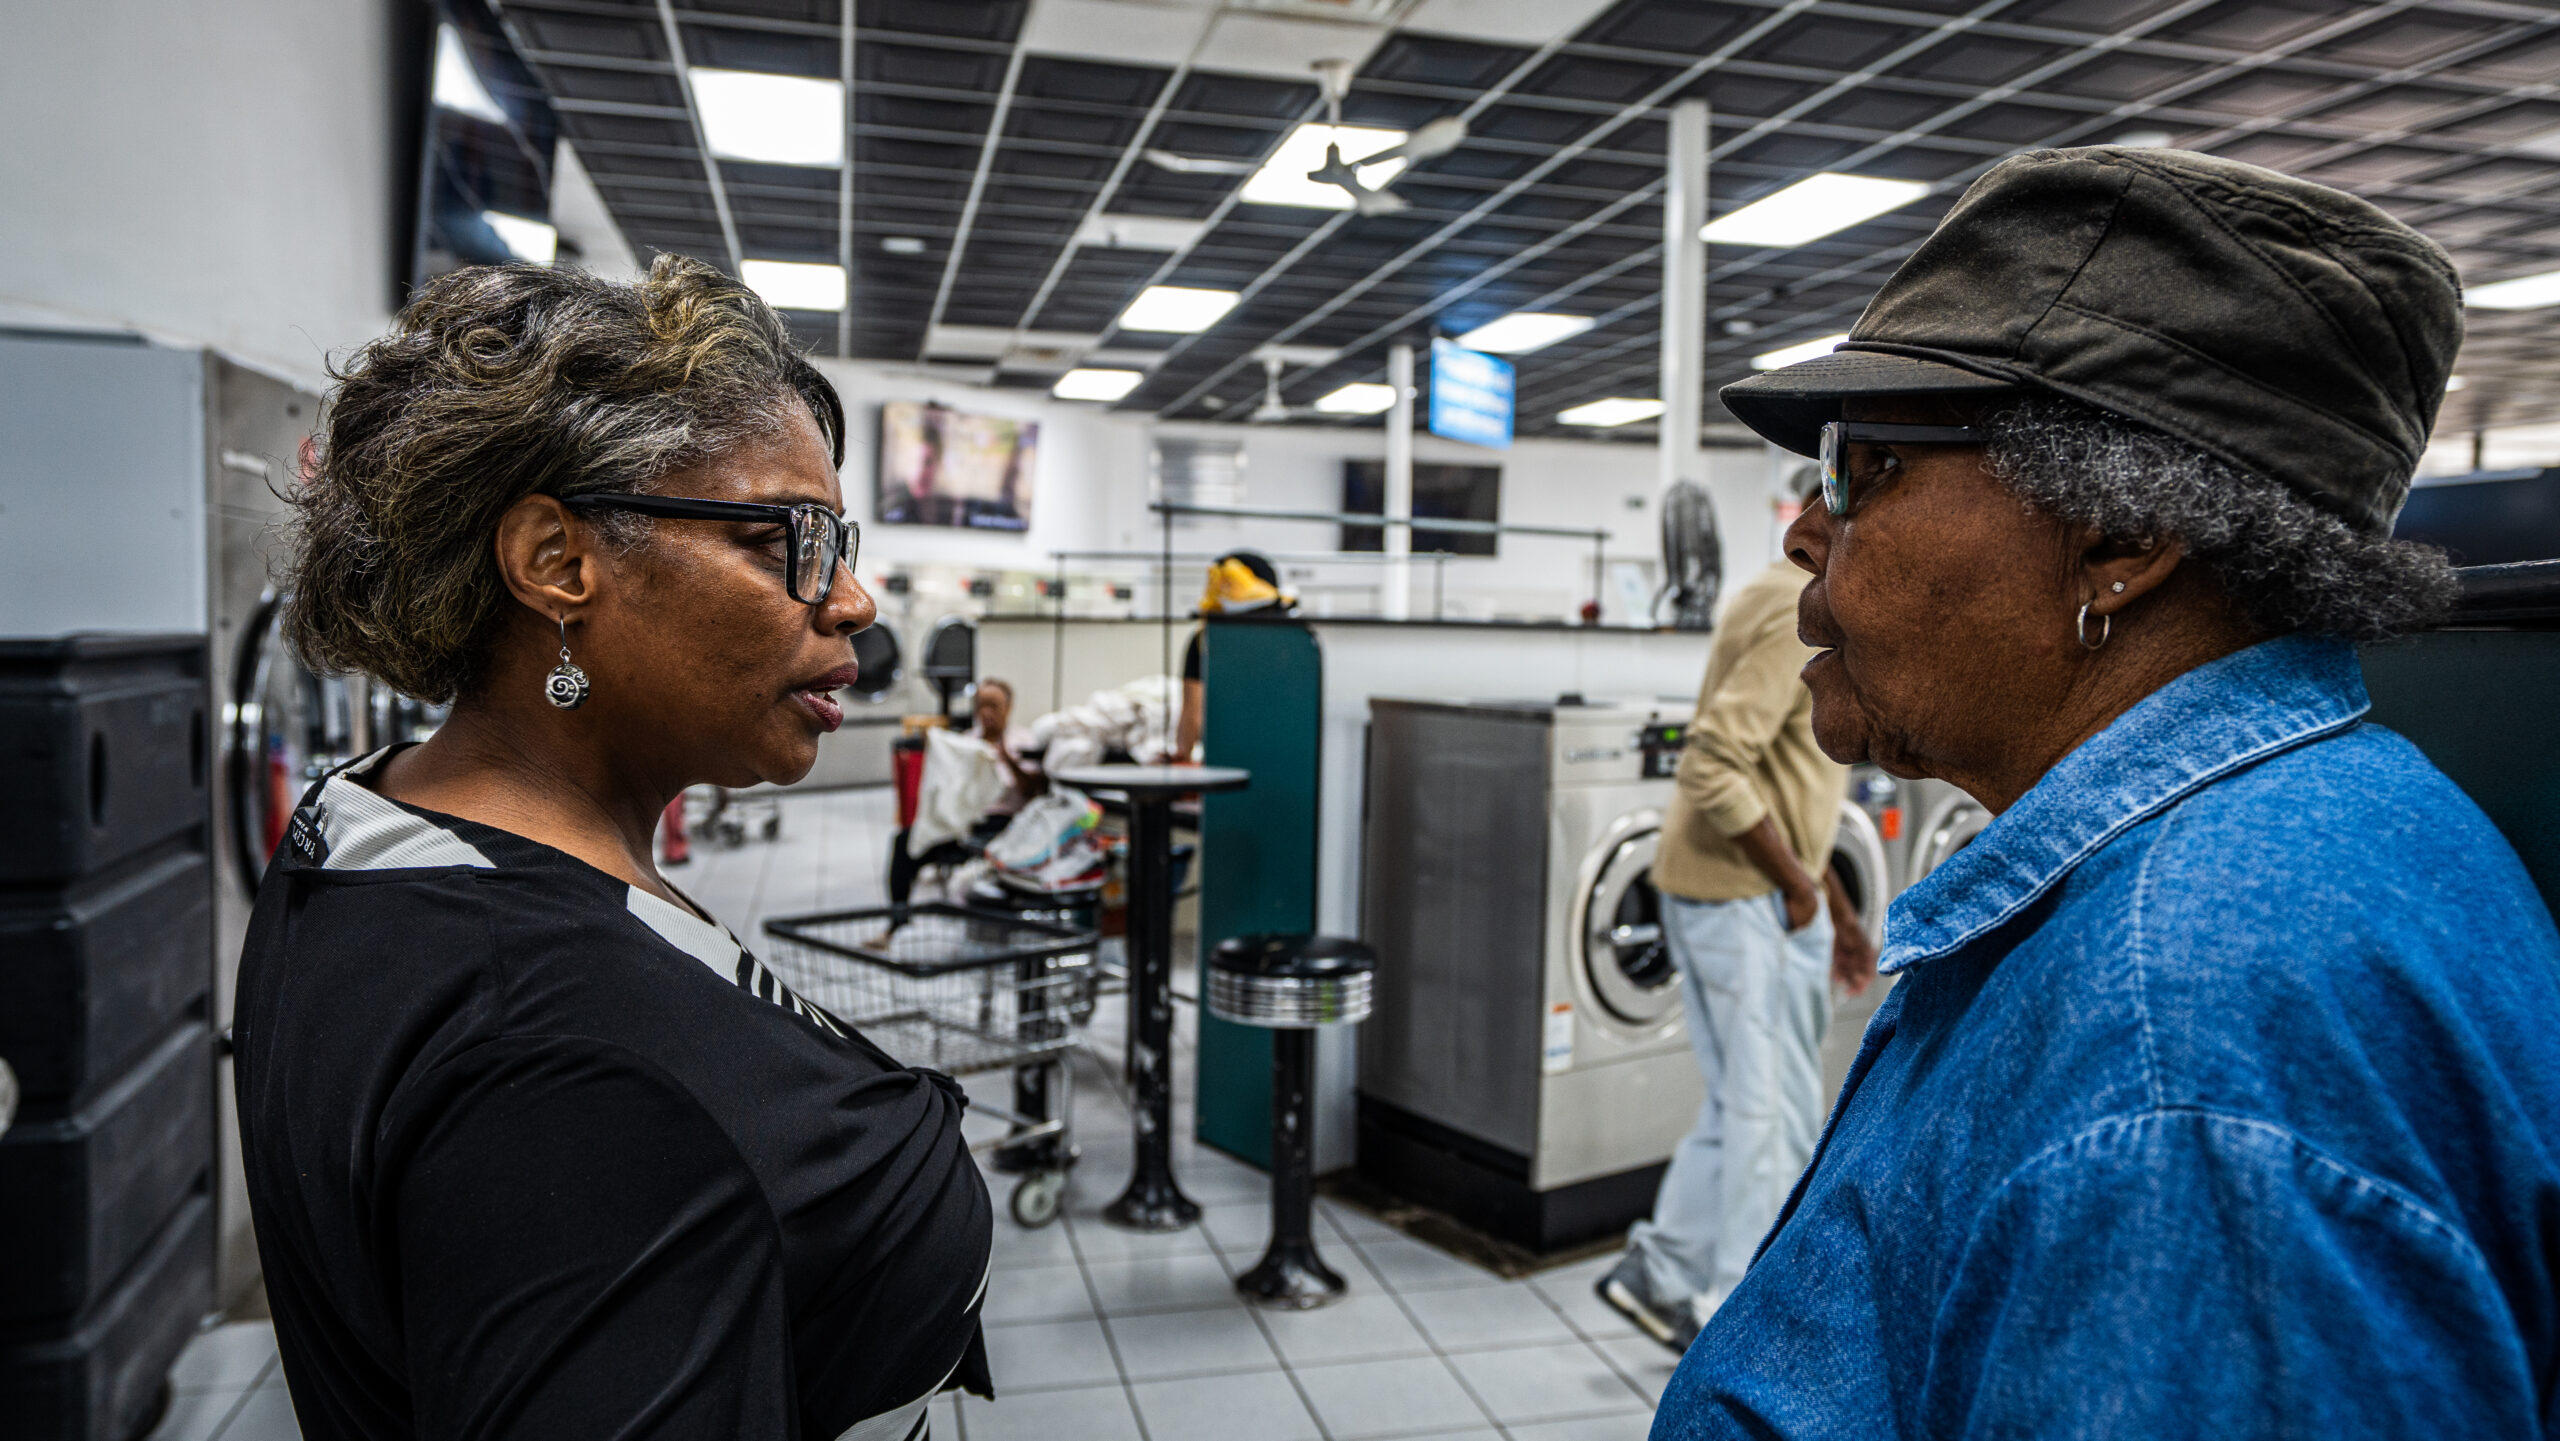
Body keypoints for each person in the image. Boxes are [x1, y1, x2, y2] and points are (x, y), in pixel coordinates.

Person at [1655, 147, 2560, 1435]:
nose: (1804, 528)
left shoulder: (2182, 1048)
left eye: (1864, 464)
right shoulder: (2304, 830)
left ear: (2121, 541)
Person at [233, 255, 993, 1441]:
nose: (853, 600)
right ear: (557, 562)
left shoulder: (372, 831)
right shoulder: (557, 1071)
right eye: (789, 539)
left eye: (839, 542)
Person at [1599, 525, 1876, 1353]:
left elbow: (1781, 783)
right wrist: (1798, 886)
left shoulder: (1770, 591)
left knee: (1740, 1102)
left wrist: (1837, 910)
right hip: (1745, 896)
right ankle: (1737, 1321)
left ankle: (1662, 1270)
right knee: (1772, 1114)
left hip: (1724, 888)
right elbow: (1712, 763)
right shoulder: (1797, 612)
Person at [885, 676, 1039, 907]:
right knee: (904, 842)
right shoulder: (966, 742)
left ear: (1008, 707)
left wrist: (1006, 759)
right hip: (963, 824)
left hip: (1004, 826)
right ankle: (899, 917)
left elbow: (1033, 789)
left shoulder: (1023, 742)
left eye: (994, 706)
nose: (986, 713)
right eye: (981, 706)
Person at [1173, 549, 1294, 762]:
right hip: (1288, 759)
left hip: (1224, 763)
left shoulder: (1205, 640)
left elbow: (1192, 717)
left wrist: (1183, 757)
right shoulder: (1296, 641)